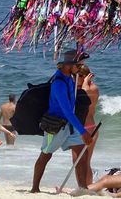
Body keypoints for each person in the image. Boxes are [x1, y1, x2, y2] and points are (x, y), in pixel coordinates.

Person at [31, 50, 93, 193]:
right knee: (46, 155)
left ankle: (83, 188)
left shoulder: (71, 78)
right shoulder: (58, 83)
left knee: (81, 152)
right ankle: (34, 188)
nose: (80, 67)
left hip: (70, 125)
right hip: (56, 126)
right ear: (68, 65)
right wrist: (83, 131)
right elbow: (66, 111)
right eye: (77, 64)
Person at [77, 65, 100, 185]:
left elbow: (84, 95)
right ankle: (85, 186)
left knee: (85, 161)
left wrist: (85, 81)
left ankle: (86, 186)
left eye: (79, 76)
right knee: (81, 161)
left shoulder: (92, 89)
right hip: (84, 128)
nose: (76, 78)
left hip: (89, 129)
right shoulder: (80, 88)